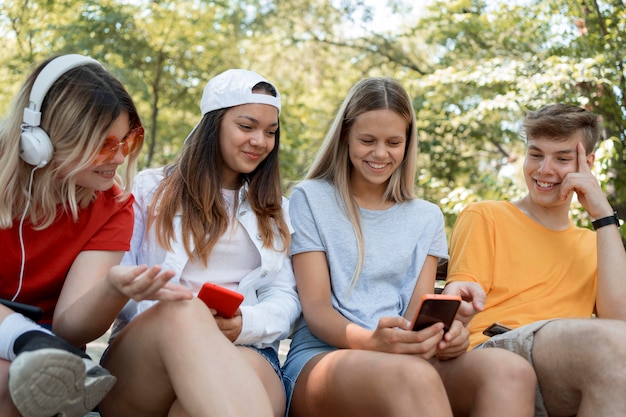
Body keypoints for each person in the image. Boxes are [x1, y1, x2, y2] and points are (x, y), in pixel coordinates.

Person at [282, 77, 537, 417]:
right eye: (367, 140)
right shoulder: (310, 198)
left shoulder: (426, 217)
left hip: (405, 356)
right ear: (345, 135)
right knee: (411, 375)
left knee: (510, 371)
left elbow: (418, 312)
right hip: (323, 356)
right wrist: (374, 342)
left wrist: (448, 335)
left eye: (393, 142)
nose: (380, 153)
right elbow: (316, 311)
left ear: (408, 142)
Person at [99, 69, 300, 417]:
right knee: (185, 310)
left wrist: (243, 324)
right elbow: (121, 278)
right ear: (215, 123)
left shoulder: (274, 208)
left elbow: (284, 297)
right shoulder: (149, 190)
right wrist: (192, 326)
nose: (260, 141)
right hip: (147, 354)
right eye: (247, 126)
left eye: (270, 132)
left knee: (199, 405)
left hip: (245, 345)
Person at [445, 103, 626, 416]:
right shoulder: (486, 216)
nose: (544, 169)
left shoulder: (594, 242)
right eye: (536, 154)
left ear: (588, 164)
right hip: (492, 352)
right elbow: (461, 297)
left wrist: (603, 216)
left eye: (562, 158)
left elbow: (620, 323)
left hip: (563, 367)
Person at [0, 53, 146, 417]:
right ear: (43, 140)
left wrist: (112, 289)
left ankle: (34, 347)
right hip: (41, 356)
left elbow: (70, 326)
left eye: (125, 142)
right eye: (104, 144)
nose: (118, 158)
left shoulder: (113, 204)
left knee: (16, 383)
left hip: (54, 354)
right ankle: (29, 342)